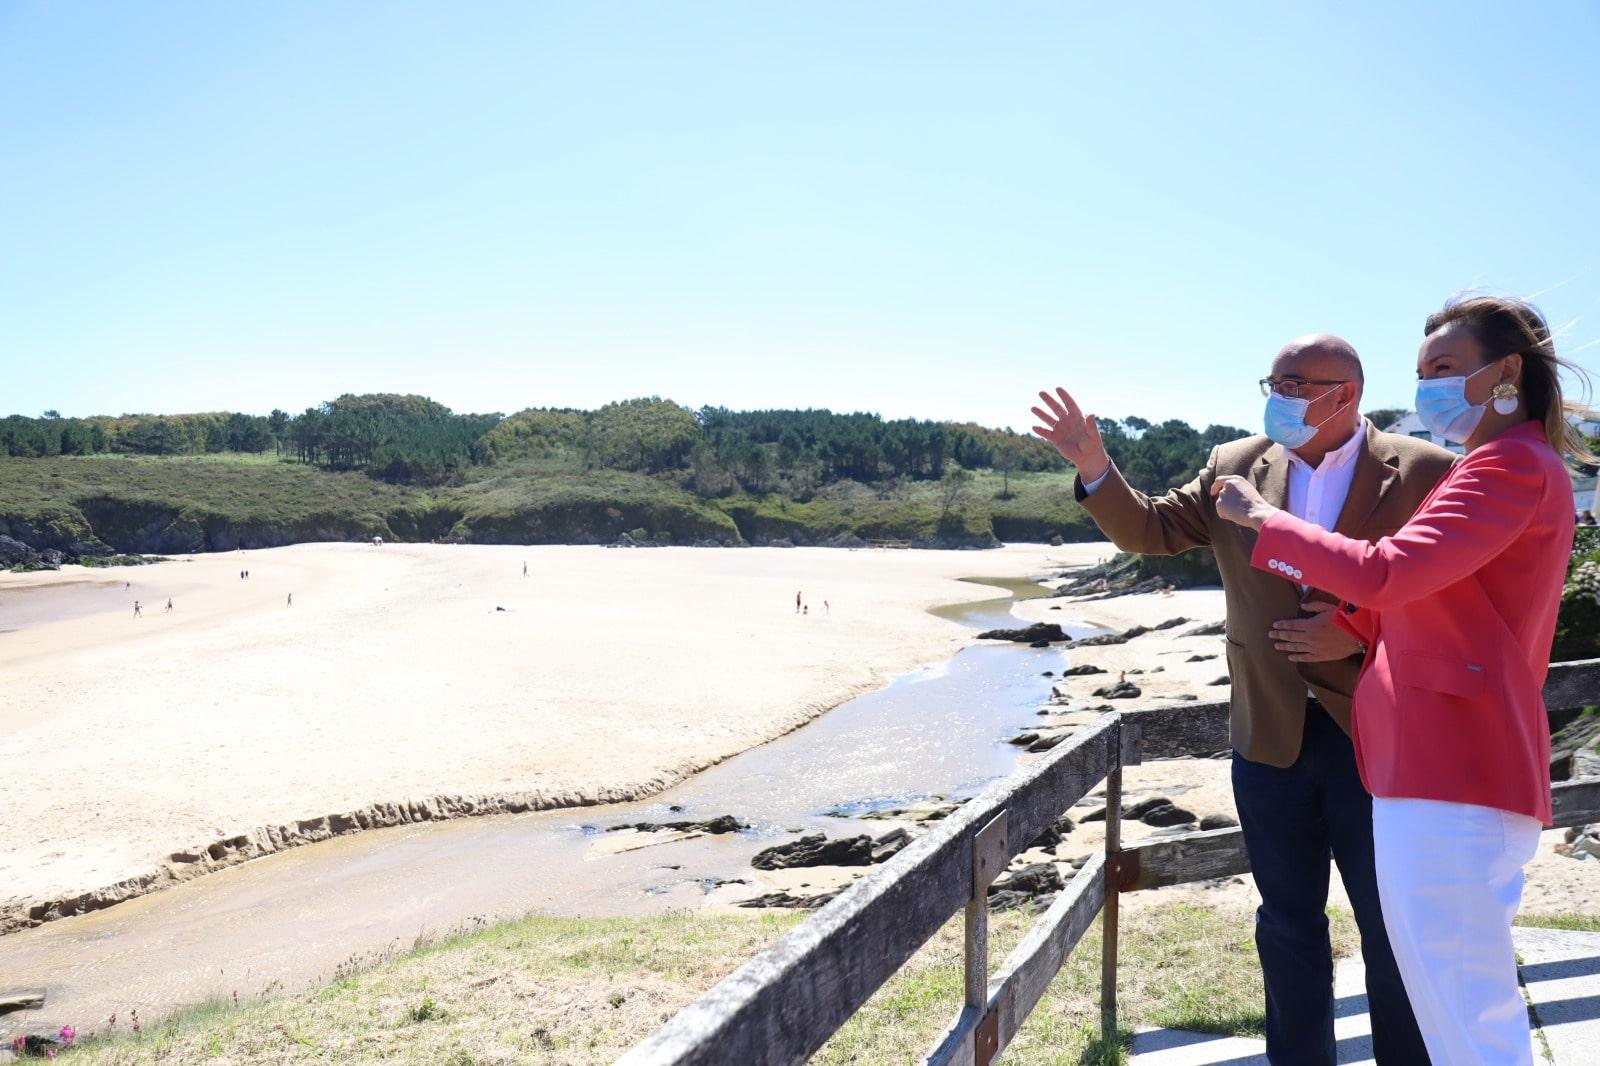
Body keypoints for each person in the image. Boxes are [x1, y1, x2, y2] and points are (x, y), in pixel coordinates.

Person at [1032, 334, 1456, 1065]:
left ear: (1344, 394)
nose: (1279, 395)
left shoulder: (1426, 472)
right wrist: (1095, 468)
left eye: (1296, 384)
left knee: (1395, 929)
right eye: (1275, 381)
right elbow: (1151, 529)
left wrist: (1358, 635)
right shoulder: (1234, 465)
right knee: (1287, 926)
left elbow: (1450, 598)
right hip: (1268, 734)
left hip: (1384, 735)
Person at [1211, 296, 1588, 1064]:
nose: (1428, 390)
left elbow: (1393, 572)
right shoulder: (1492, 466)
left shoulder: (1510, 465)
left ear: (1507, 372)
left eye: (1445, 370)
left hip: (1455, 767)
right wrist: (1349, 625)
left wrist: (1262, 519)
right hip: (1432, 766)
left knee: (1466, 1008)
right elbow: (1434, 599)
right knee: (1447, 997)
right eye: (1421, 373)